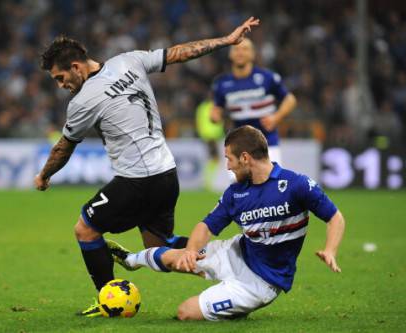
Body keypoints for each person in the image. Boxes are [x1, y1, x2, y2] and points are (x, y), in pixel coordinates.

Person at [34, 17, 261, 317]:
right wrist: (225, 41)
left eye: (60, 77)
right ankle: (234, 262)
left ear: (77, 67)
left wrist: (44, 175)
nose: (62, 85)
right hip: (167, 174)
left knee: (85, 230)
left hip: (136, 181)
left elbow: (64, 147)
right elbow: (180, 52)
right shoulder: (130, 60)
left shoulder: (82, 102)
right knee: (160, 249)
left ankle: (108, 300)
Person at [107, 125, 345, 321]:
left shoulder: (296, 185)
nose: (227, 166)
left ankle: (235, 307)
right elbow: (206, 226)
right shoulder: (236, 193)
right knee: (175, 257)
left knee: (185, 313)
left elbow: (335, 217)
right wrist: (190, 251)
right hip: (239, 252)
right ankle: (130, 261)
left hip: (261, 283)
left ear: (245, 158)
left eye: (229, 159)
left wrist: (330, 250)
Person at [211, 38, 297, 164]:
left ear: (253, 54)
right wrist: (215, 116)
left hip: (267, 142)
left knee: (269, 182)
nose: (240, 52)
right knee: (239, 183)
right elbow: (217, 109)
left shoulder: (267, 77)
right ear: (230, 54)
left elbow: (290, 99)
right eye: (236, 49)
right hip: (237, 145)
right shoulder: (222, 83)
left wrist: (276, 117)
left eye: (245, 49)